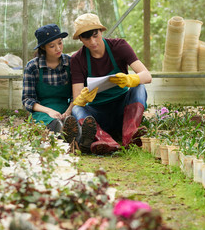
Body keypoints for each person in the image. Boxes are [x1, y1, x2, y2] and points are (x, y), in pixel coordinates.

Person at [70, 13, 152, 155]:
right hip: (98, 114)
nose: (92, 41)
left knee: (139, 87)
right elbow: (77, 96)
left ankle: (130, 134)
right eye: (86, 38)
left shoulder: (119, 46)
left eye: (95, 35)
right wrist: (83, 98)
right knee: (76, 108)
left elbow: (146, 75)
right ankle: (105, 140)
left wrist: (130, 79)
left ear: (101, 31)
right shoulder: (77, 59)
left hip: (123, 109)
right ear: (80, 39)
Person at [22, 23, 96, 151]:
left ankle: (82, 139)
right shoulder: (32, 67)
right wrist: (49, 111)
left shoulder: (71, 62)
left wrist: (68, 111)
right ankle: (76, 140)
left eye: (60, 43)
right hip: (42, 111)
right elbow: (27, 100)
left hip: (68, 106)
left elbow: (77, 94)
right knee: (55, 124)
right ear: (43, 48)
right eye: (52, 46)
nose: (58, 48)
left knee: (71, 120)